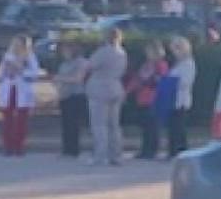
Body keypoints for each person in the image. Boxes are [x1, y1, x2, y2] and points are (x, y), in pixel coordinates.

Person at [85, 26, 129, 167]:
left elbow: (89, 65)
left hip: (100, 88)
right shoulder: (122, 52)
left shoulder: (103, 52)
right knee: (114, 125)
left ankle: (100, 156)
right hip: (116, 87)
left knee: (99, 124)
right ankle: (116, 155)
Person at [0, 34, 40, 157]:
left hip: (23, 90)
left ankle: (19, 146)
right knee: (7, 119)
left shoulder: (29, 57)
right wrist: (6, 70)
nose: (16, 47)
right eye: (14, 44)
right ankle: (7, 146)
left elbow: (34, 73)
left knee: (21, 120)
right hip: (9, 89)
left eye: (19, 44)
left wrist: (21, 70)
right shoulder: (8, 56)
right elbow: (0, 72)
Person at [127, 40, 167, 160]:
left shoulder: (161, 64)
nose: (147, 53)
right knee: (145, 125)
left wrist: (147, 81)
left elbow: (161, 80)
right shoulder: (146, 64)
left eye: (150, 51)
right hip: (142, 97)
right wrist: (128, 90)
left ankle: (151, 150)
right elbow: (137, 79)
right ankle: (145, 149)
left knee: (152, 126)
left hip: (153, 97)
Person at [159, 36, 197, 158]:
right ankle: (173, 151)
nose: (174, 52)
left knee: (178, 128)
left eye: (176, 49)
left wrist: (172, 81)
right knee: (173, 128)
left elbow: (185, 81)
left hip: (181, 100)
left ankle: (179, 150)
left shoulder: (188, 63)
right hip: (173, 99)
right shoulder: (178, 64)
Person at [52, 41, 91, 159]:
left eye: (66, 51)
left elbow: (78, 79)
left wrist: (60, 78)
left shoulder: (82, 62)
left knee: (74, 124)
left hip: (76, 95)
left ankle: (74, 150)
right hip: (65, 96)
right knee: (66, 124)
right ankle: (66, 150)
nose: (64, 53)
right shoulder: (64, 64)